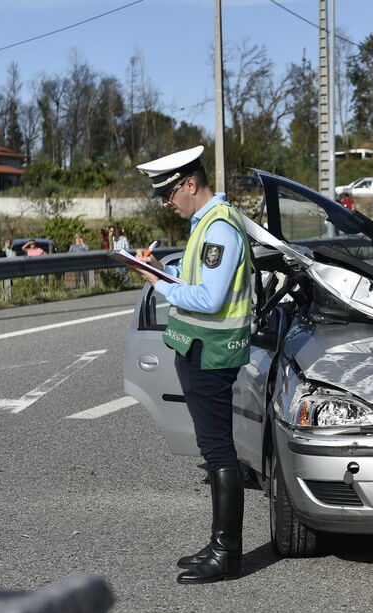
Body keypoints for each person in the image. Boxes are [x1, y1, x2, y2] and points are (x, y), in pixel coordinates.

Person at [132, 145, 252, 585]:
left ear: (189, 183)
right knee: (212, 447)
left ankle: (227, 553)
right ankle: (220, 544)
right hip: (201, 347)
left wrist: (162, 287)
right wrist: (160, 273)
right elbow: (198, 281)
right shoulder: (208, 225)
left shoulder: (220, 229)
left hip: (212, 351)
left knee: (218, 451)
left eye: (169, 193)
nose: (167, 202)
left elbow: (209, 298)